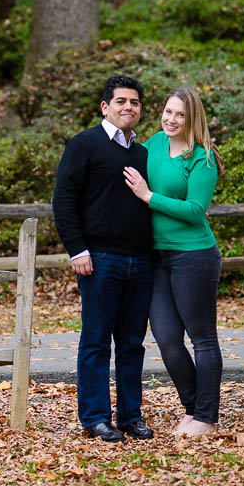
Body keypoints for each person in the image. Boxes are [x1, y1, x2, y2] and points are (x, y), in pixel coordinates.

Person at [52, 75, 154, 443]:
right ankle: (95, 417)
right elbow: (64, 201)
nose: (129, 107)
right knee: (96, 341)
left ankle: (131, 416)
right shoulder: (84, 144)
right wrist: (77, 250)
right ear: (105, 107)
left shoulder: (143, 153)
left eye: (136, 102)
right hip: (99, 260)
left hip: (140, 262)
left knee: (132, 344)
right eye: (122, 101)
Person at [123, 86, 224, 437]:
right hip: (157, 257)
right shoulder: (152, 144)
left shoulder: (203, 158)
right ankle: (193, 409)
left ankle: (207, 418)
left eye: (180, 114)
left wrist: (148, 196)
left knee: (202, 338)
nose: (171, 119)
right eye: (168, 111)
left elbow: (196, 212)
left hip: (194, 255)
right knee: (166, 337)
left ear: (192, 118)